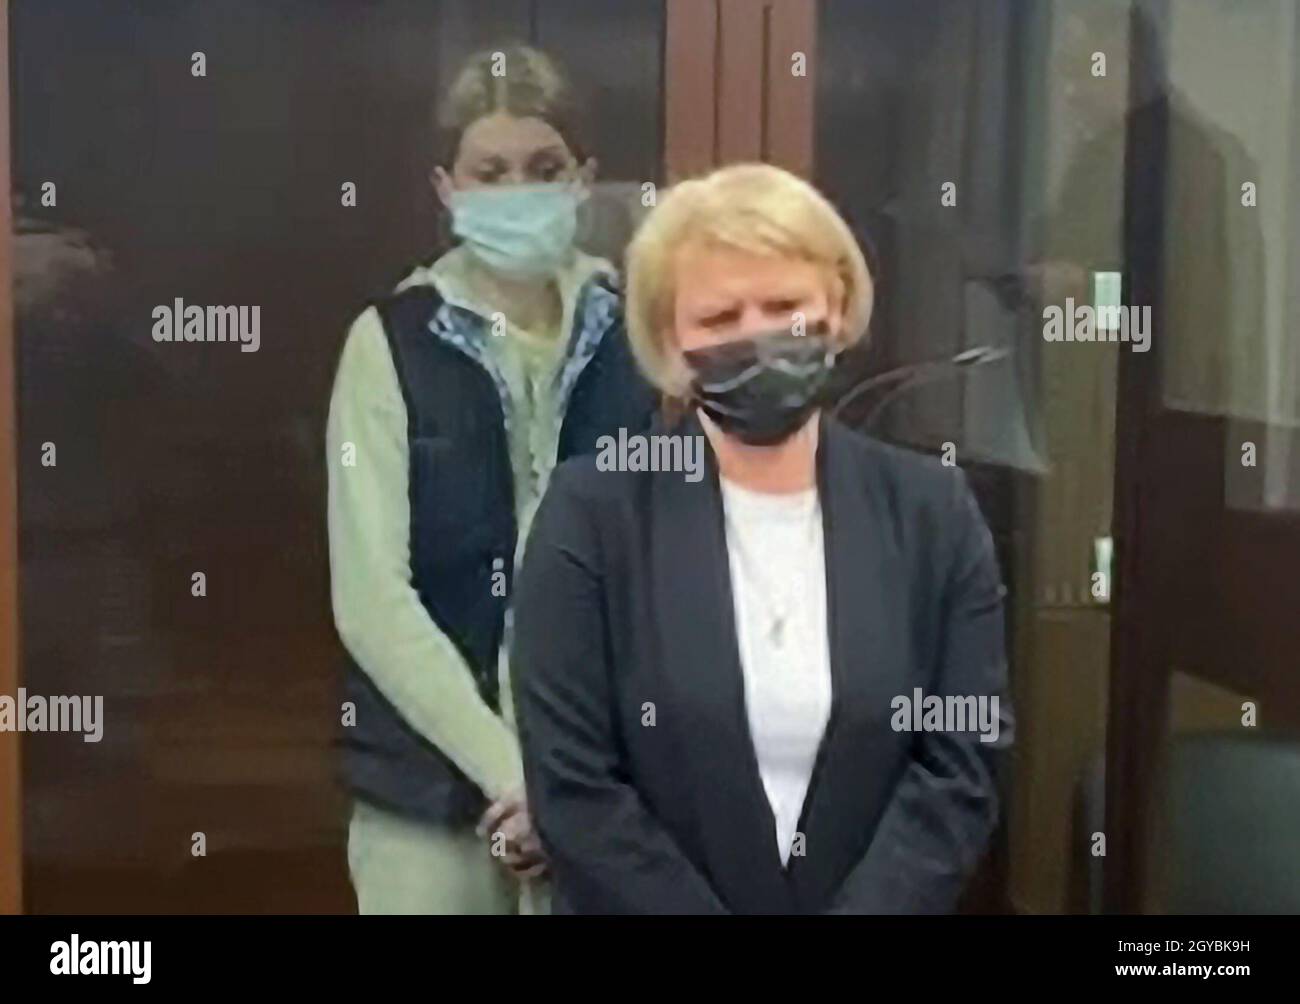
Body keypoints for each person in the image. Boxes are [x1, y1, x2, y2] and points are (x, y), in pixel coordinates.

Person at [511, 163, 1014, 914]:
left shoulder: (931, 512)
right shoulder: (591, 515)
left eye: (784, 306)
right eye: (719, 319)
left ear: (837, 308)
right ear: (669, 343)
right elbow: (574, 786)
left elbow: (959, 767)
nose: (757, 336)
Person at [326, 43, 657, 914]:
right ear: (447, 188)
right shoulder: (389, 343)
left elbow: (657, 578)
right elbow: (372, 599)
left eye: (544, 169)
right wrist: (513, 774)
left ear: (584, 179)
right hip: (426, 795)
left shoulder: (636, 342)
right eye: (491, 171)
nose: (519, 190)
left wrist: (571, 776)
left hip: (600, 790)